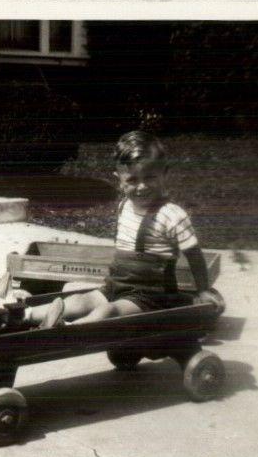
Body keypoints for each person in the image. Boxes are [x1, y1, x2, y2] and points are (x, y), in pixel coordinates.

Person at [24, 130, 217, 328]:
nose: (141, 187)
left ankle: (68, 329)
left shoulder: (172, 215)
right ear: (119, 179)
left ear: (164, 173)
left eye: (150, 177)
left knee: (109, 311)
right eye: (132, 180)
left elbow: (194, 256)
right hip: (116, 285)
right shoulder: (124, 206)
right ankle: (26, 315)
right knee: (81, 300)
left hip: (151, 297)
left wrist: (203, 290)